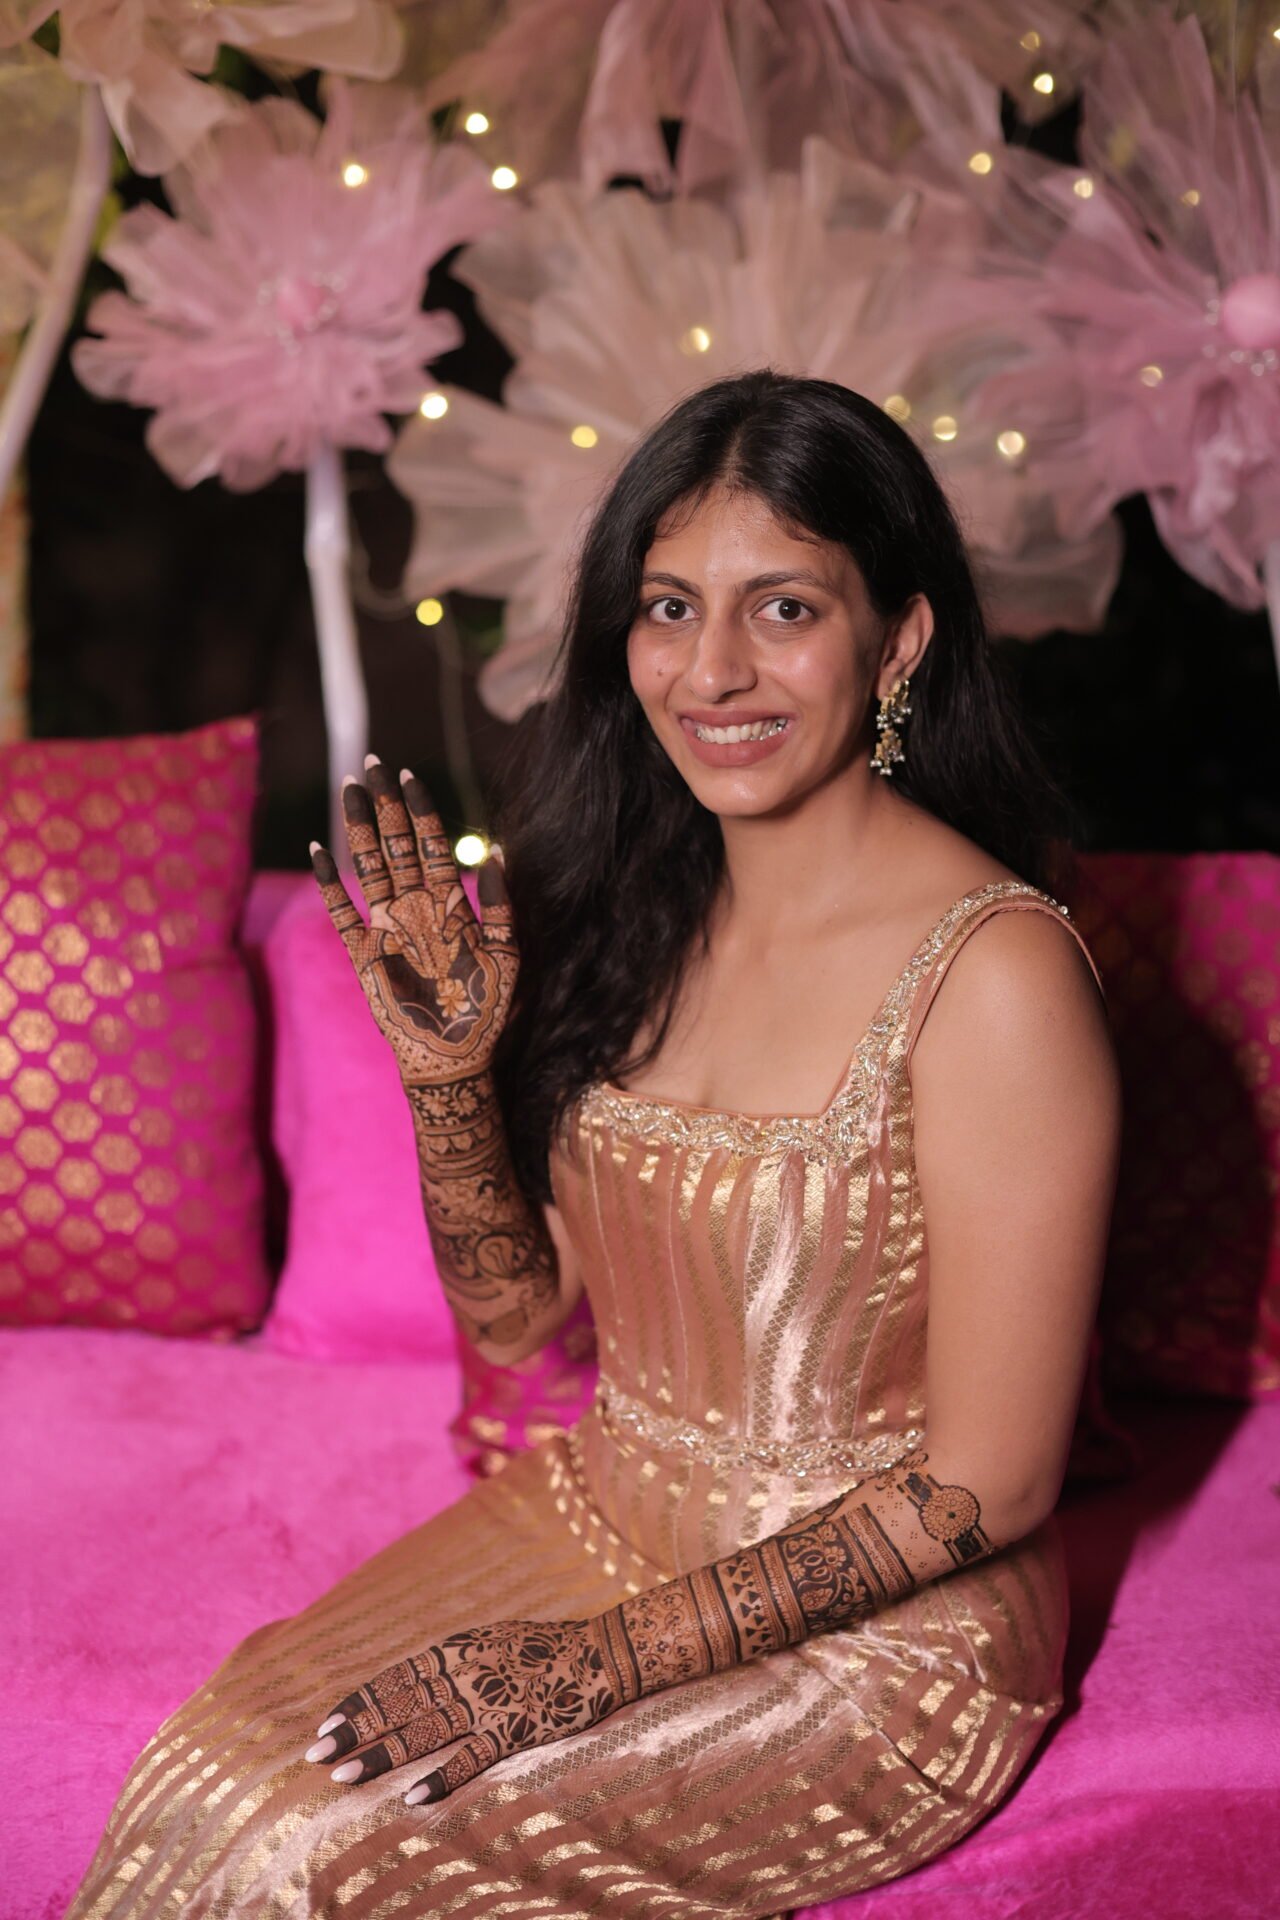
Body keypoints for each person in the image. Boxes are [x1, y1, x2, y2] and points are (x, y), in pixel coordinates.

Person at [66, 369, 1122, 1918]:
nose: (713, 669)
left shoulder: (996, 973)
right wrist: (446, 1080)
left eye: (783, 609)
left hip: (885, 1637)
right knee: (221, 1772)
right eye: (668, 608)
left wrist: (581, 1669)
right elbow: (519, 1318)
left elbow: (992, 1485)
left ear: (898, 640)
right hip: (599, 1508)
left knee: (321, 1848)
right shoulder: (632, 912)